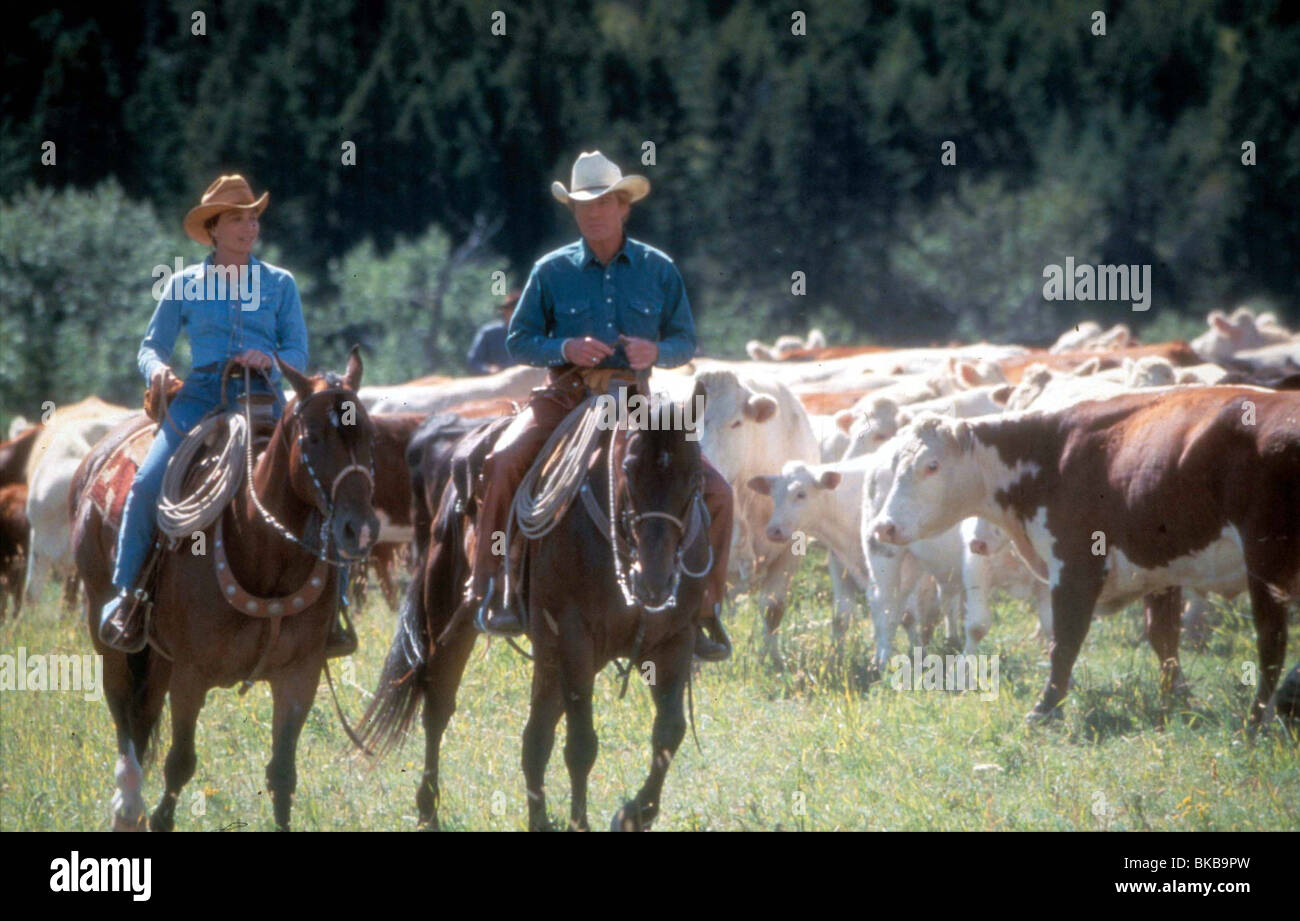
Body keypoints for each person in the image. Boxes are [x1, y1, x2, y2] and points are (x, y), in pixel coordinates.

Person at [468, 150, 733, 661]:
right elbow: (519, 340)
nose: (594, 212)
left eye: (604, 203)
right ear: (574, 210)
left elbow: (685, 341)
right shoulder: (550, 270)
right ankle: (492, 583)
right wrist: (563, 349)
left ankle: (705, 609)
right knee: (502, 462)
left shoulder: (659, 270)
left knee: (718, 491)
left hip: (633, 404)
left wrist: (657, 351)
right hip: (564, 396)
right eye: (583, 204)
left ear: (623, 206)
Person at [98, 175, 353, 657]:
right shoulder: (184, 284)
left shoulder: (279, 283)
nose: (250, 225)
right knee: (147, 484)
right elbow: (150, 347)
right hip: (200, 396)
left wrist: (272, 358)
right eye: (238, 218)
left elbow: (297, 347)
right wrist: (158, 372)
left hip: (265, 398)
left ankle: (335, 611)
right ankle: (126, 595)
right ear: (213, 229)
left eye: (254, 216)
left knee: (325, 481)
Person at [465, 290, 521, 374]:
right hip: (494, 383)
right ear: (505, 311)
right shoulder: (489, 333)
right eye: (513, 310)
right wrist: (490, 370)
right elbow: (473, 362)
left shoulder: (534, 337)